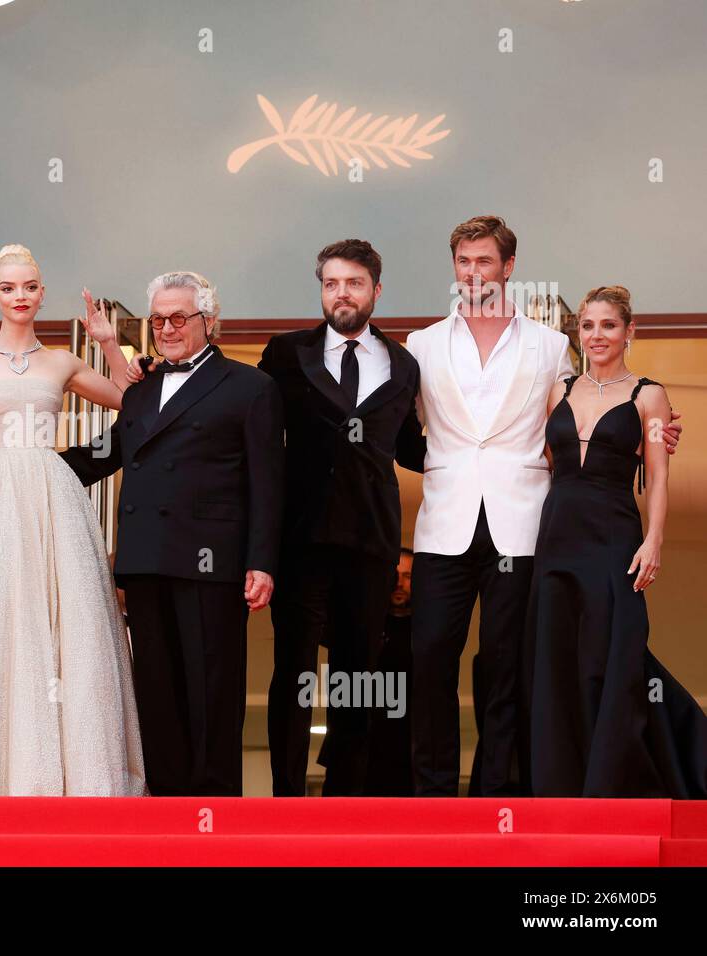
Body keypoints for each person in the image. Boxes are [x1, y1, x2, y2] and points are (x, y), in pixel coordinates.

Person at [406, 216, 683, 797]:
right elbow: (398, 427)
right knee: (430, 659)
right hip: (443, 524)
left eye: (485, 261)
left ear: (509, 268)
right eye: (464, 261)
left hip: (526, 527)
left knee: (506, 668)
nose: (473, 272)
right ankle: (431, 798)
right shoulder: (421, 345)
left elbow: (583, 424)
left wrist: (656, 433)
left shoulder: (551, 346)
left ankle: (493, 797)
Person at [0, 244, 145, 796]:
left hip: (55, 497)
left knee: (65, 620)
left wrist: (105, 339)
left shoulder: (61, 361)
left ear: (41, 292)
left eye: (29, 286)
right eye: (8, 288)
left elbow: (131, 399)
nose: (19, 296)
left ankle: (78, 775)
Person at [64, 270, 282, 797]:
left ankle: (214, 819)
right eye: (159, 319)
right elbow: (107, 452)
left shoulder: (251, 387)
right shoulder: (141, 389)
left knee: (210, 695)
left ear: (209, 321)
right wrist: (29, 469)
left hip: (211, 566)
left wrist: (262, 561)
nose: (167, 328)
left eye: (179, 317)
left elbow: (268, 483)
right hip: (143, 565)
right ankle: (165, 814)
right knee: (156, 698)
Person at [525, 286, 706, 797]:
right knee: (559, 661)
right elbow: (542, 461)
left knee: (617, 656)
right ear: (578, 332)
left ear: (630, 332)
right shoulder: (558, 390)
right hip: (557, 538)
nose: (597, 335)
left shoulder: (649, 395)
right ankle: (562, 789)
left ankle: (620, 782)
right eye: (587, 325)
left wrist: (654, 541)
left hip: (613, 539)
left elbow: (660, 476)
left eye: (608, 325)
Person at [258, 240, 425, 796]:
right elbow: (249, 429)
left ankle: (346, 803)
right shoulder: (285, 354)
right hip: (301, 539)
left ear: (376, 289)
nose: (341, 294)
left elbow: (411, 449)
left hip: (372, 542)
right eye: (331, 283)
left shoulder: (403, 365)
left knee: (359, 677)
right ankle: (285, 798)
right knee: (294, 672)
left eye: (353, 283)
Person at [364, 548, 415, 796]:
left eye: (407, 576)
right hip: (365, 750)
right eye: (394, 575)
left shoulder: (426, 635)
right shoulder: (364, 629)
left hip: (410, 753)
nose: (399, 583)